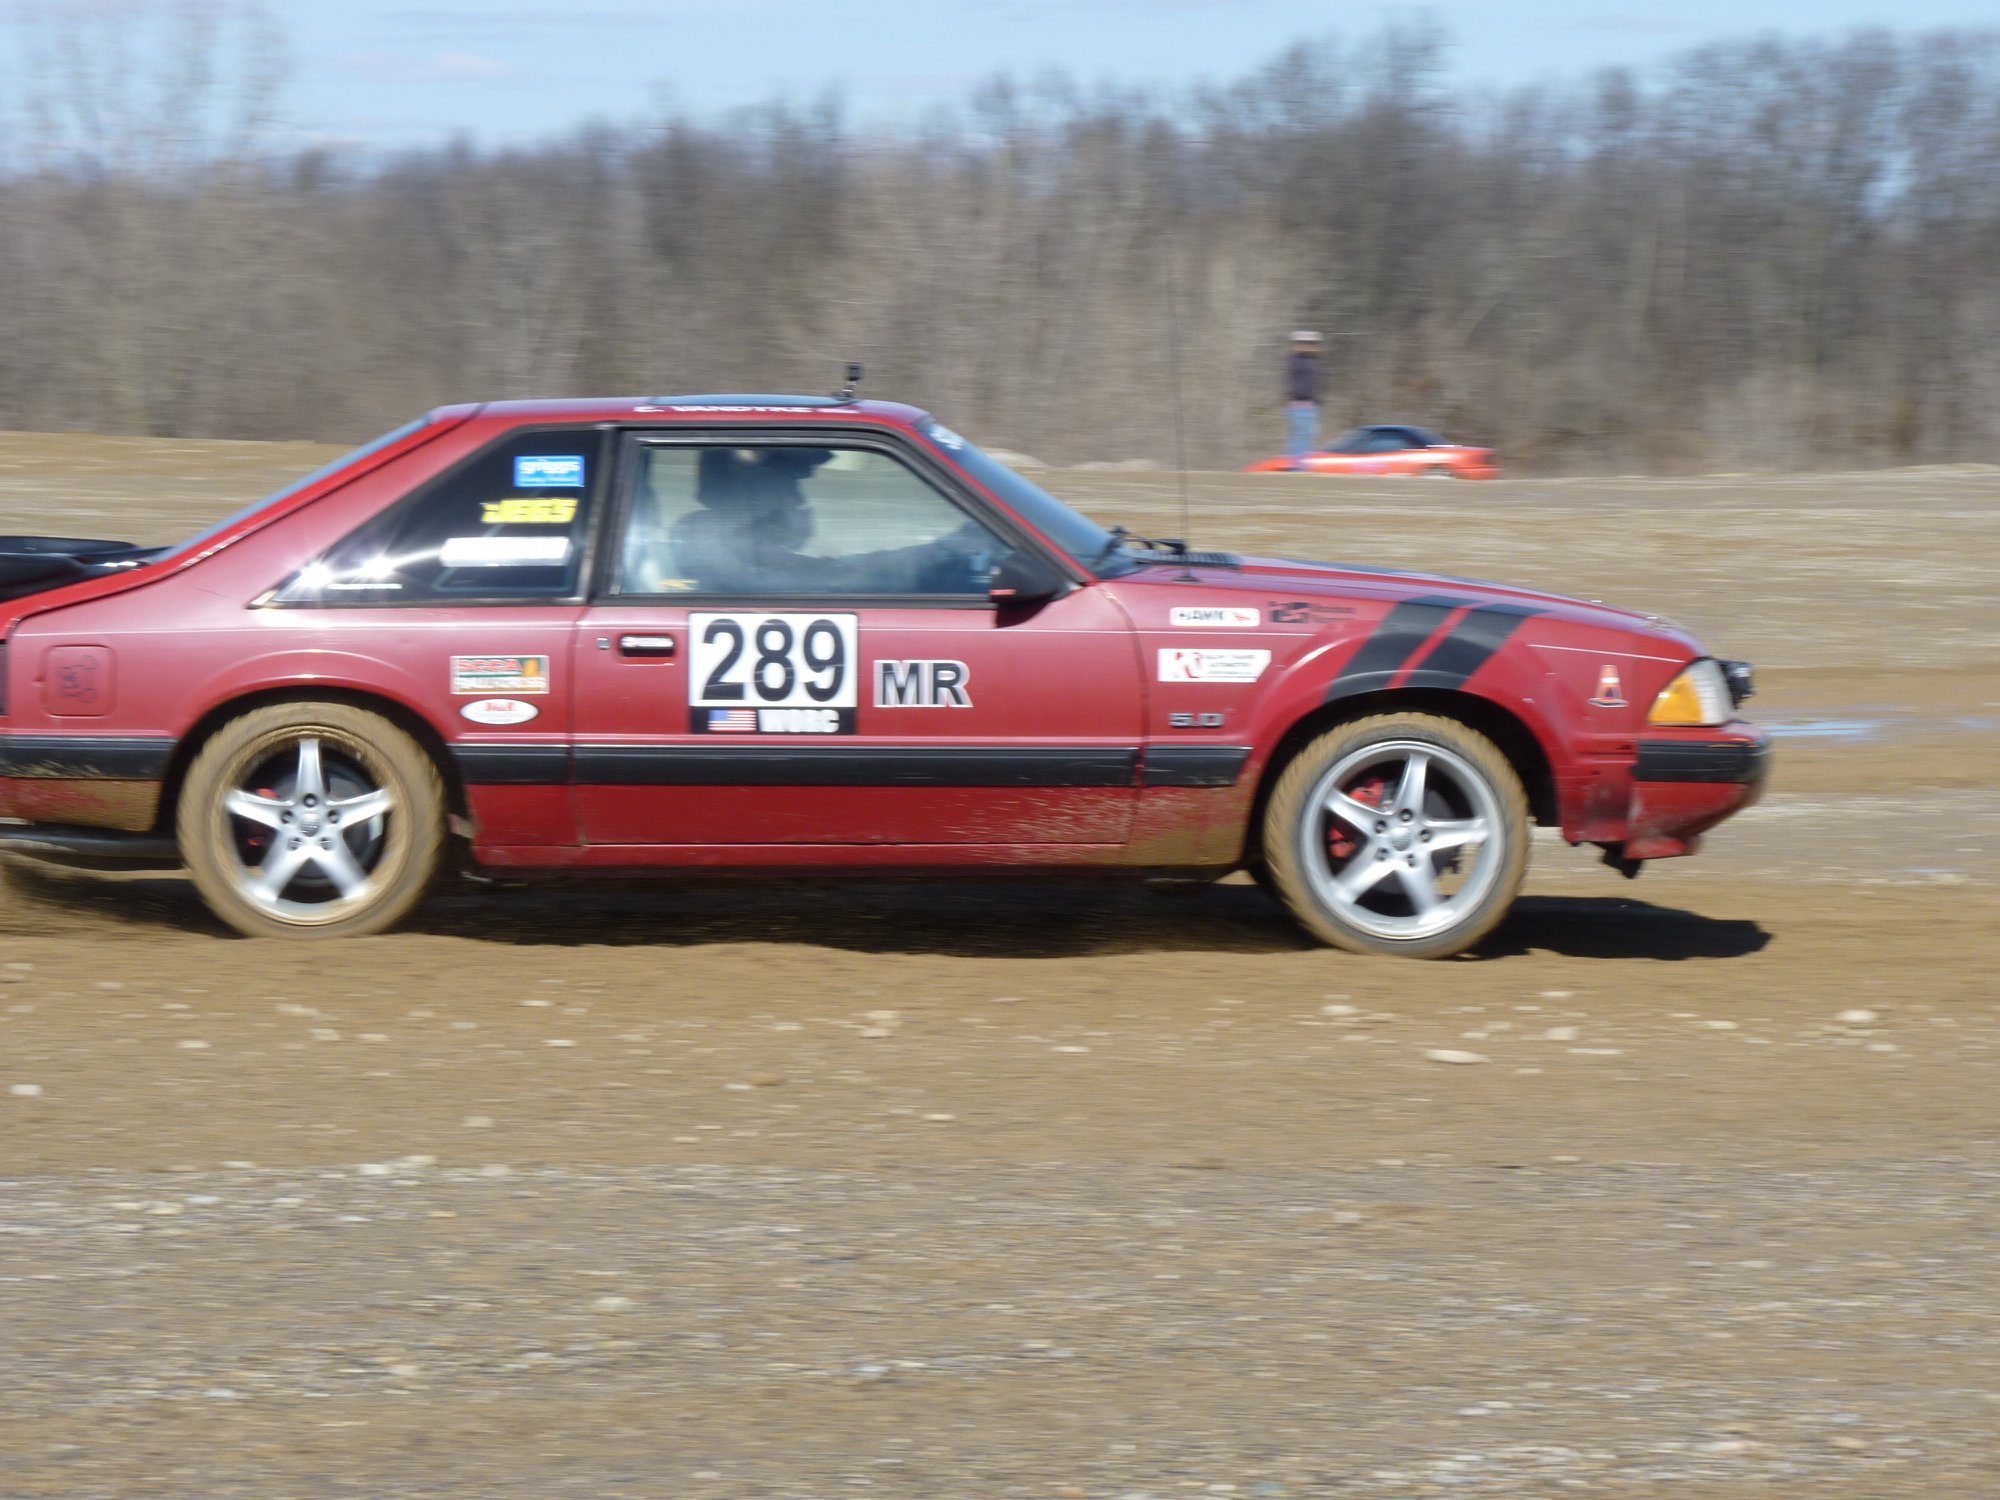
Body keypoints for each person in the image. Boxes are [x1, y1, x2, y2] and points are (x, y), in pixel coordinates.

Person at [1285, 330, 1323, 467]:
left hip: (1312, 404)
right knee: (1301, 434)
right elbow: (1290, 383)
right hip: (1299, 403)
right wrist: (1293, 398)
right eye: (1308, 344)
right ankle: (1296, 465)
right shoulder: (1296, 361)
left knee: (1308, 435)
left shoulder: (1315, 362)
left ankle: (1301, 464)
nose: (1312, 347)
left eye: (1313, 344)